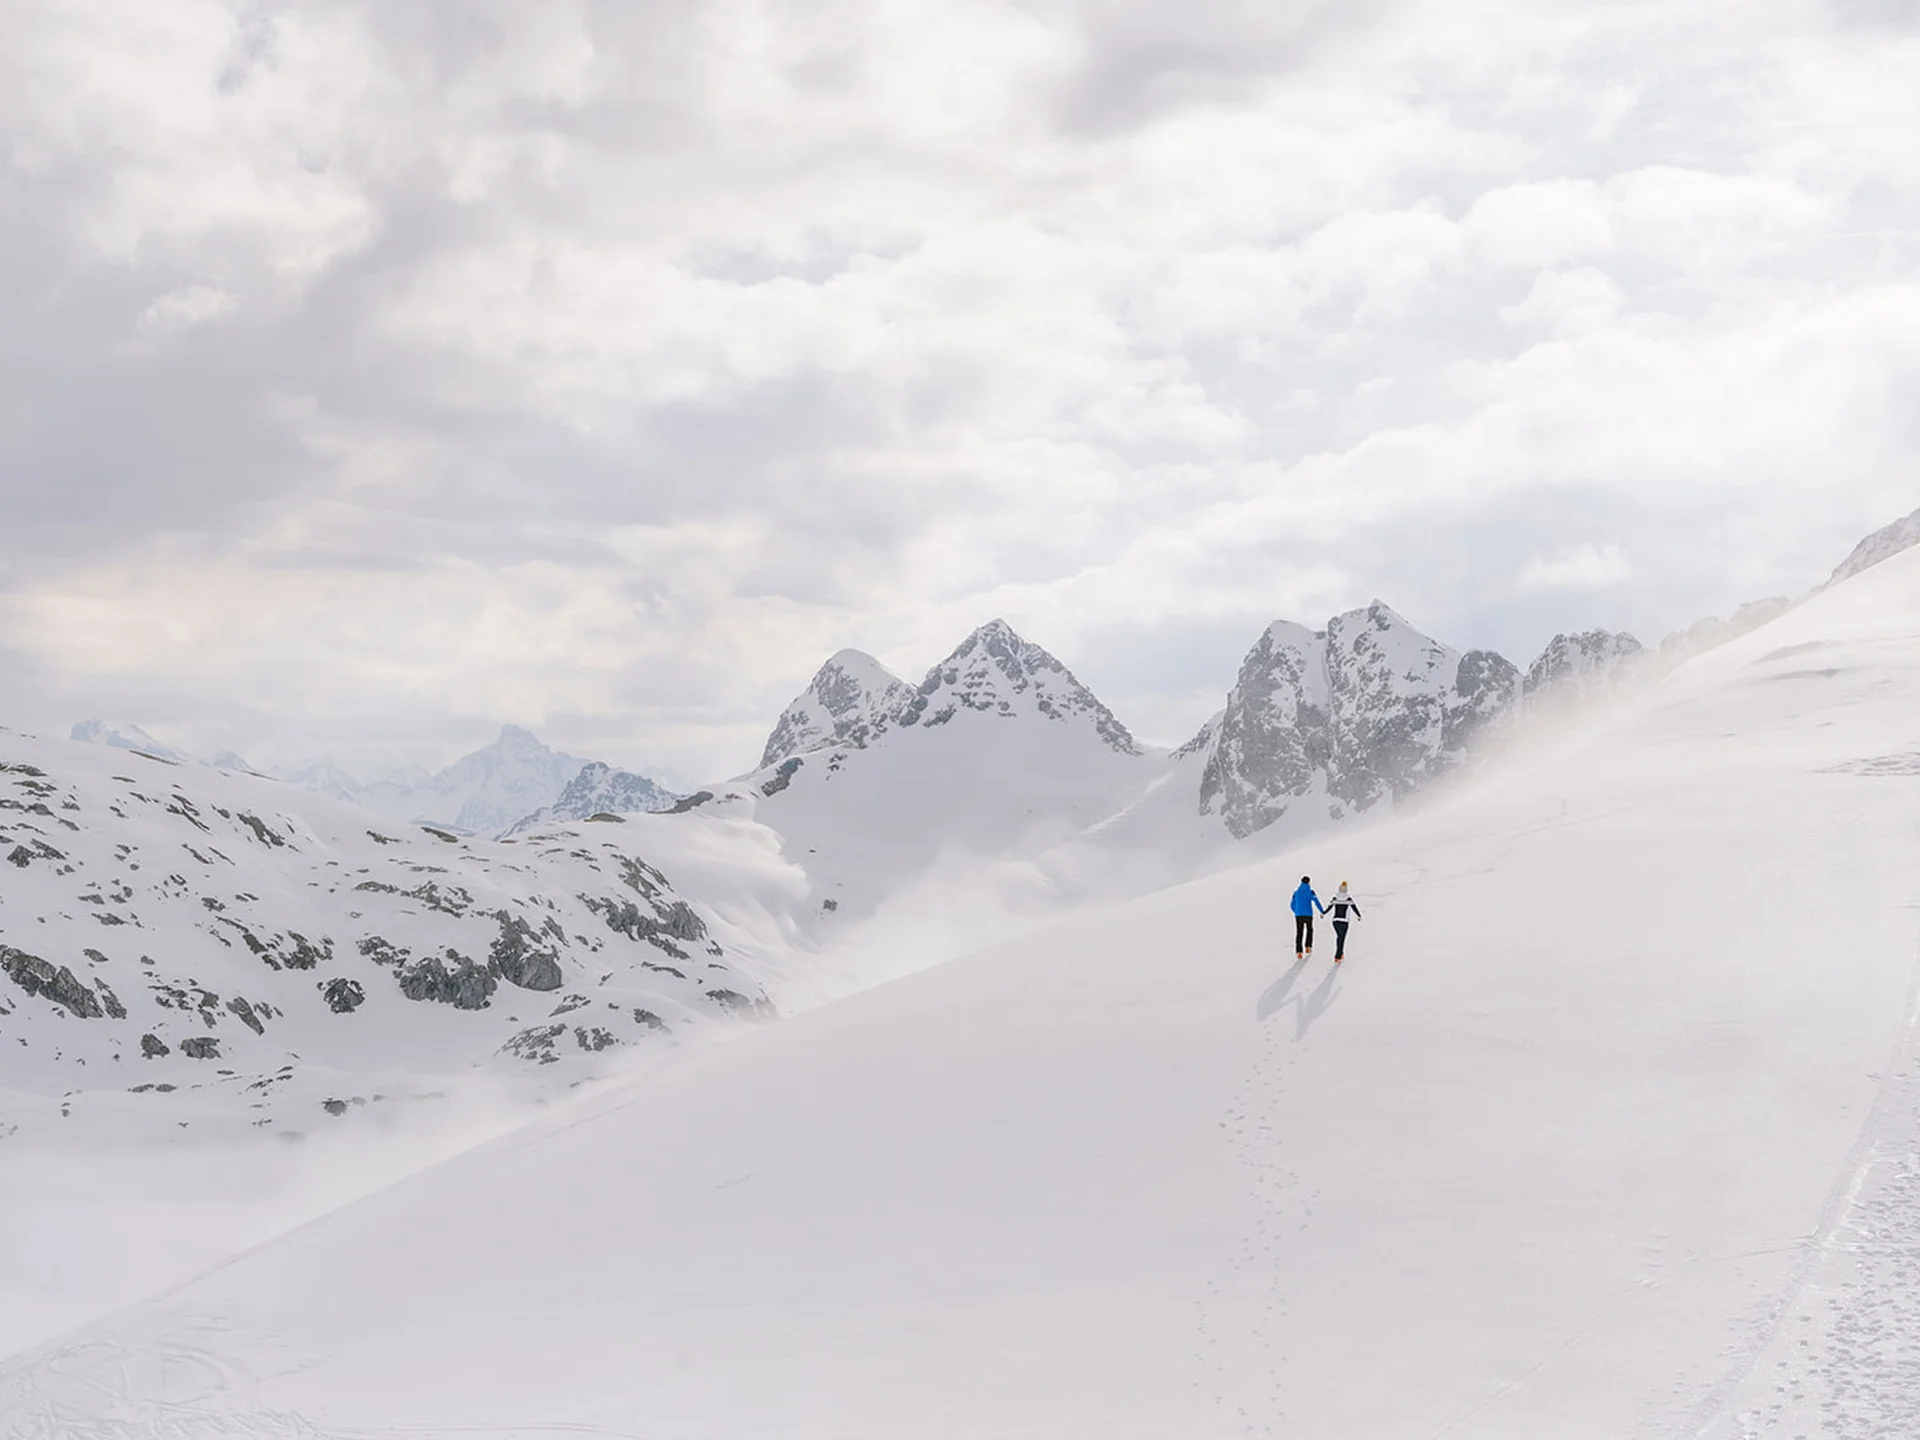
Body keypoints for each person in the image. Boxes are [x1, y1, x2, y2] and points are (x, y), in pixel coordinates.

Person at [1290, 876, 1325, 959]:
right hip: (1308, 914)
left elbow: (1291, 904)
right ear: (1308, 882)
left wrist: (1296, 911)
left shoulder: (1296, 892)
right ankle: (1308, 947)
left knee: (1299, 932)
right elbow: (1316, 901)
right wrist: (1322, 911)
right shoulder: (1311, 892)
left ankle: (1299, 952)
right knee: (1310, 929)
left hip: (1298, 915)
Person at [1327, 881, 1362, 963]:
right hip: (1344, 921)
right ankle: (1337, 956)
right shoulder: (1348, 898)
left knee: (1339, 938)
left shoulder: (1335, 897)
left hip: (1335, 921)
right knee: (1341, 938)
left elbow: (1330, 906)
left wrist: (1323, 913)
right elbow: (1354, 907)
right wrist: (1358, 915)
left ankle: (1340, 953)